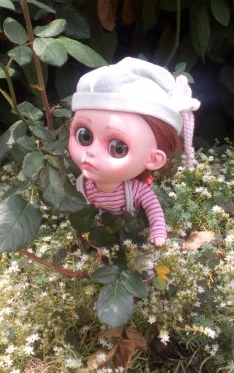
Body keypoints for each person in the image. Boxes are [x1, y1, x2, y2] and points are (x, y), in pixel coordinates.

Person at [68, 58, 200, 246]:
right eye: (84, 136)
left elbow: (153, 208)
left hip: (128, 236)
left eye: (118, 148)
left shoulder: (136, 190)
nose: (91, 153)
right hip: (95, 237)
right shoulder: (82, 186)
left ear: (154, 159)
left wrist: (158, 229)